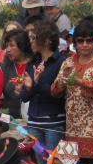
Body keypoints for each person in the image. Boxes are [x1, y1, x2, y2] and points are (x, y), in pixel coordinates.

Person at [52, 20, 93, 164]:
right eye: (80, 41)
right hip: (72, 131)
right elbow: (54, 92)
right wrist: (62, 80)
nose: (85, 44)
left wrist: (80, 81)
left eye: (89, 40)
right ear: (75, 43)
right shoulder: (68, 62)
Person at [21, 20, 66, 153]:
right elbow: (24, 97)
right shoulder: (33, 62)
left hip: (53, 122)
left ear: (46, 41)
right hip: (34, 121)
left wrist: (37, 83)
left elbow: (57, 94)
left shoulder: (61, 63)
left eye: (34, 38)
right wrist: (29, 87)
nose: (31, 42)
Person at [0, 29, 32, 119]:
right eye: (7, 46)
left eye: (12, 45)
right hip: (8, 117)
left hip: (29, 119)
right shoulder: (5, 65)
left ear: (22, 46)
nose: (8, 50)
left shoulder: (34, 64)